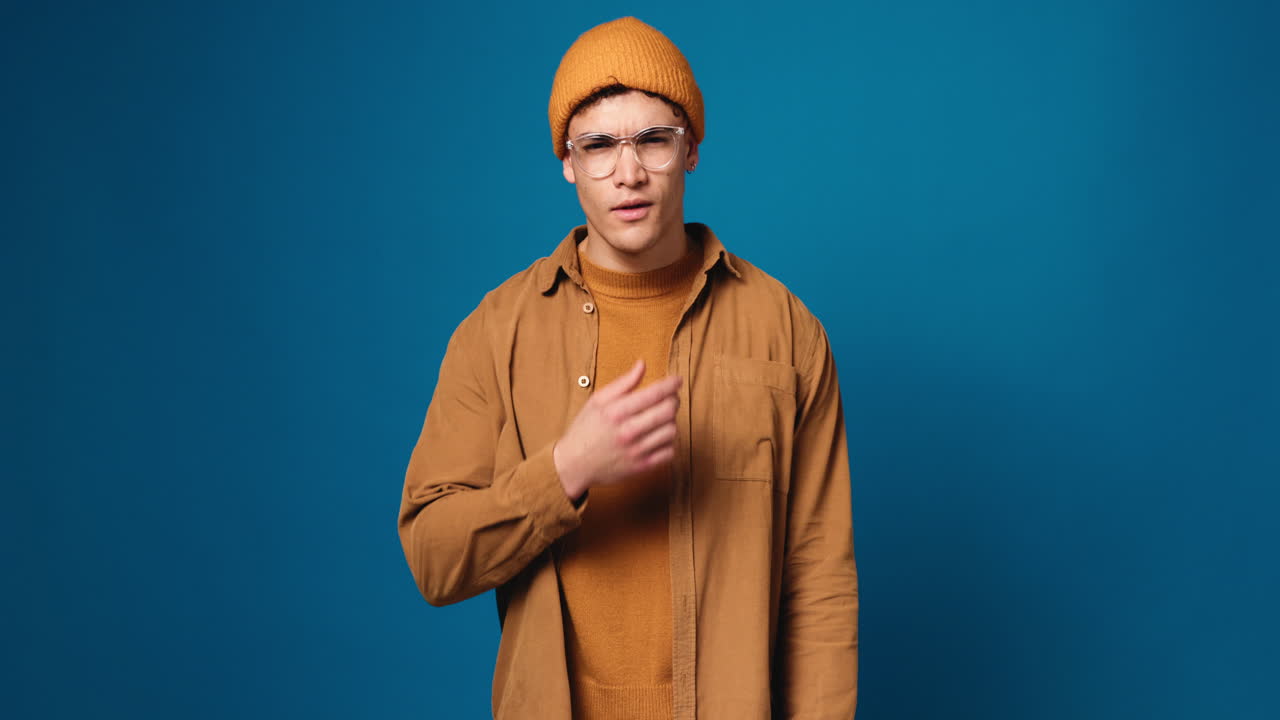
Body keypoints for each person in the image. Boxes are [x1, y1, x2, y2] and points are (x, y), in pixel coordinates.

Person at [398, 16, 858, 719]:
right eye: (599, 145)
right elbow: (433, 557)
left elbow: (819, 577)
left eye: (653, 139)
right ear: (567, 161)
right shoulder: (496, 332)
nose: (628, 172)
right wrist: (566, 470)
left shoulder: (786, 332)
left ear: (692, 150)